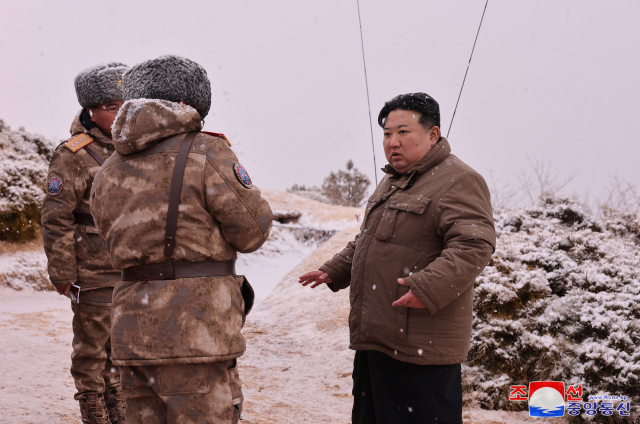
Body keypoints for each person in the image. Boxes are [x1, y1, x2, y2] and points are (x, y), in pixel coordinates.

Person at [89, 55, 273, 424]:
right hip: (197, 330)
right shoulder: (207, 151)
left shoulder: (107, 166)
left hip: (131, 331)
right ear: (192, 102)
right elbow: (252, 231)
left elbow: (109, 240)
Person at [299, 93, 496, 424]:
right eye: (388, 134)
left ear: (432, 134)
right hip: (376, 341)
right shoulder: (392, 181)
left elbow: (474, 244)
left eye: (403, 132)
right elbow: (370, 241)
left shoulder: (459, 180)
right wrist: (334, 270)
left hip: (421, 349)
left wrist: (427, 287)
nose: (393, 142)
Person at [42, 62, 129, 424]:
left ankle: (119, 404)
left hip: (133, 268)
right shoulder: (73, 153)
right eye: (110, 106)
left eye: (124, 103)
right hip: (92, 269)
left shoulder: (137, 147)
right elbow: (55, 216)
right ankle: (93, 408)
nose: (119, 113)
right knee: (93, 348)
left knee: (122, 346)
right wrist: (62, 271)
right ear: (90, 110)